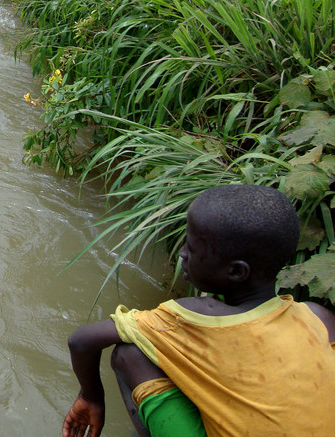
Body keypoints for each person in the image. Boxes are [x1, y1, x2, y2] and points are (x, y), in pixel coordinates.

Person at [62, 184, 335, 437]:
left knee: (130, 353)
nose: (182, 254)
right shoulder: (318, 317)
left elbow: (81, 340)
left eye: (191, 249)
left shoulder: (194, 315)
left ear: (236, 271)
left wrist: (91, 396)